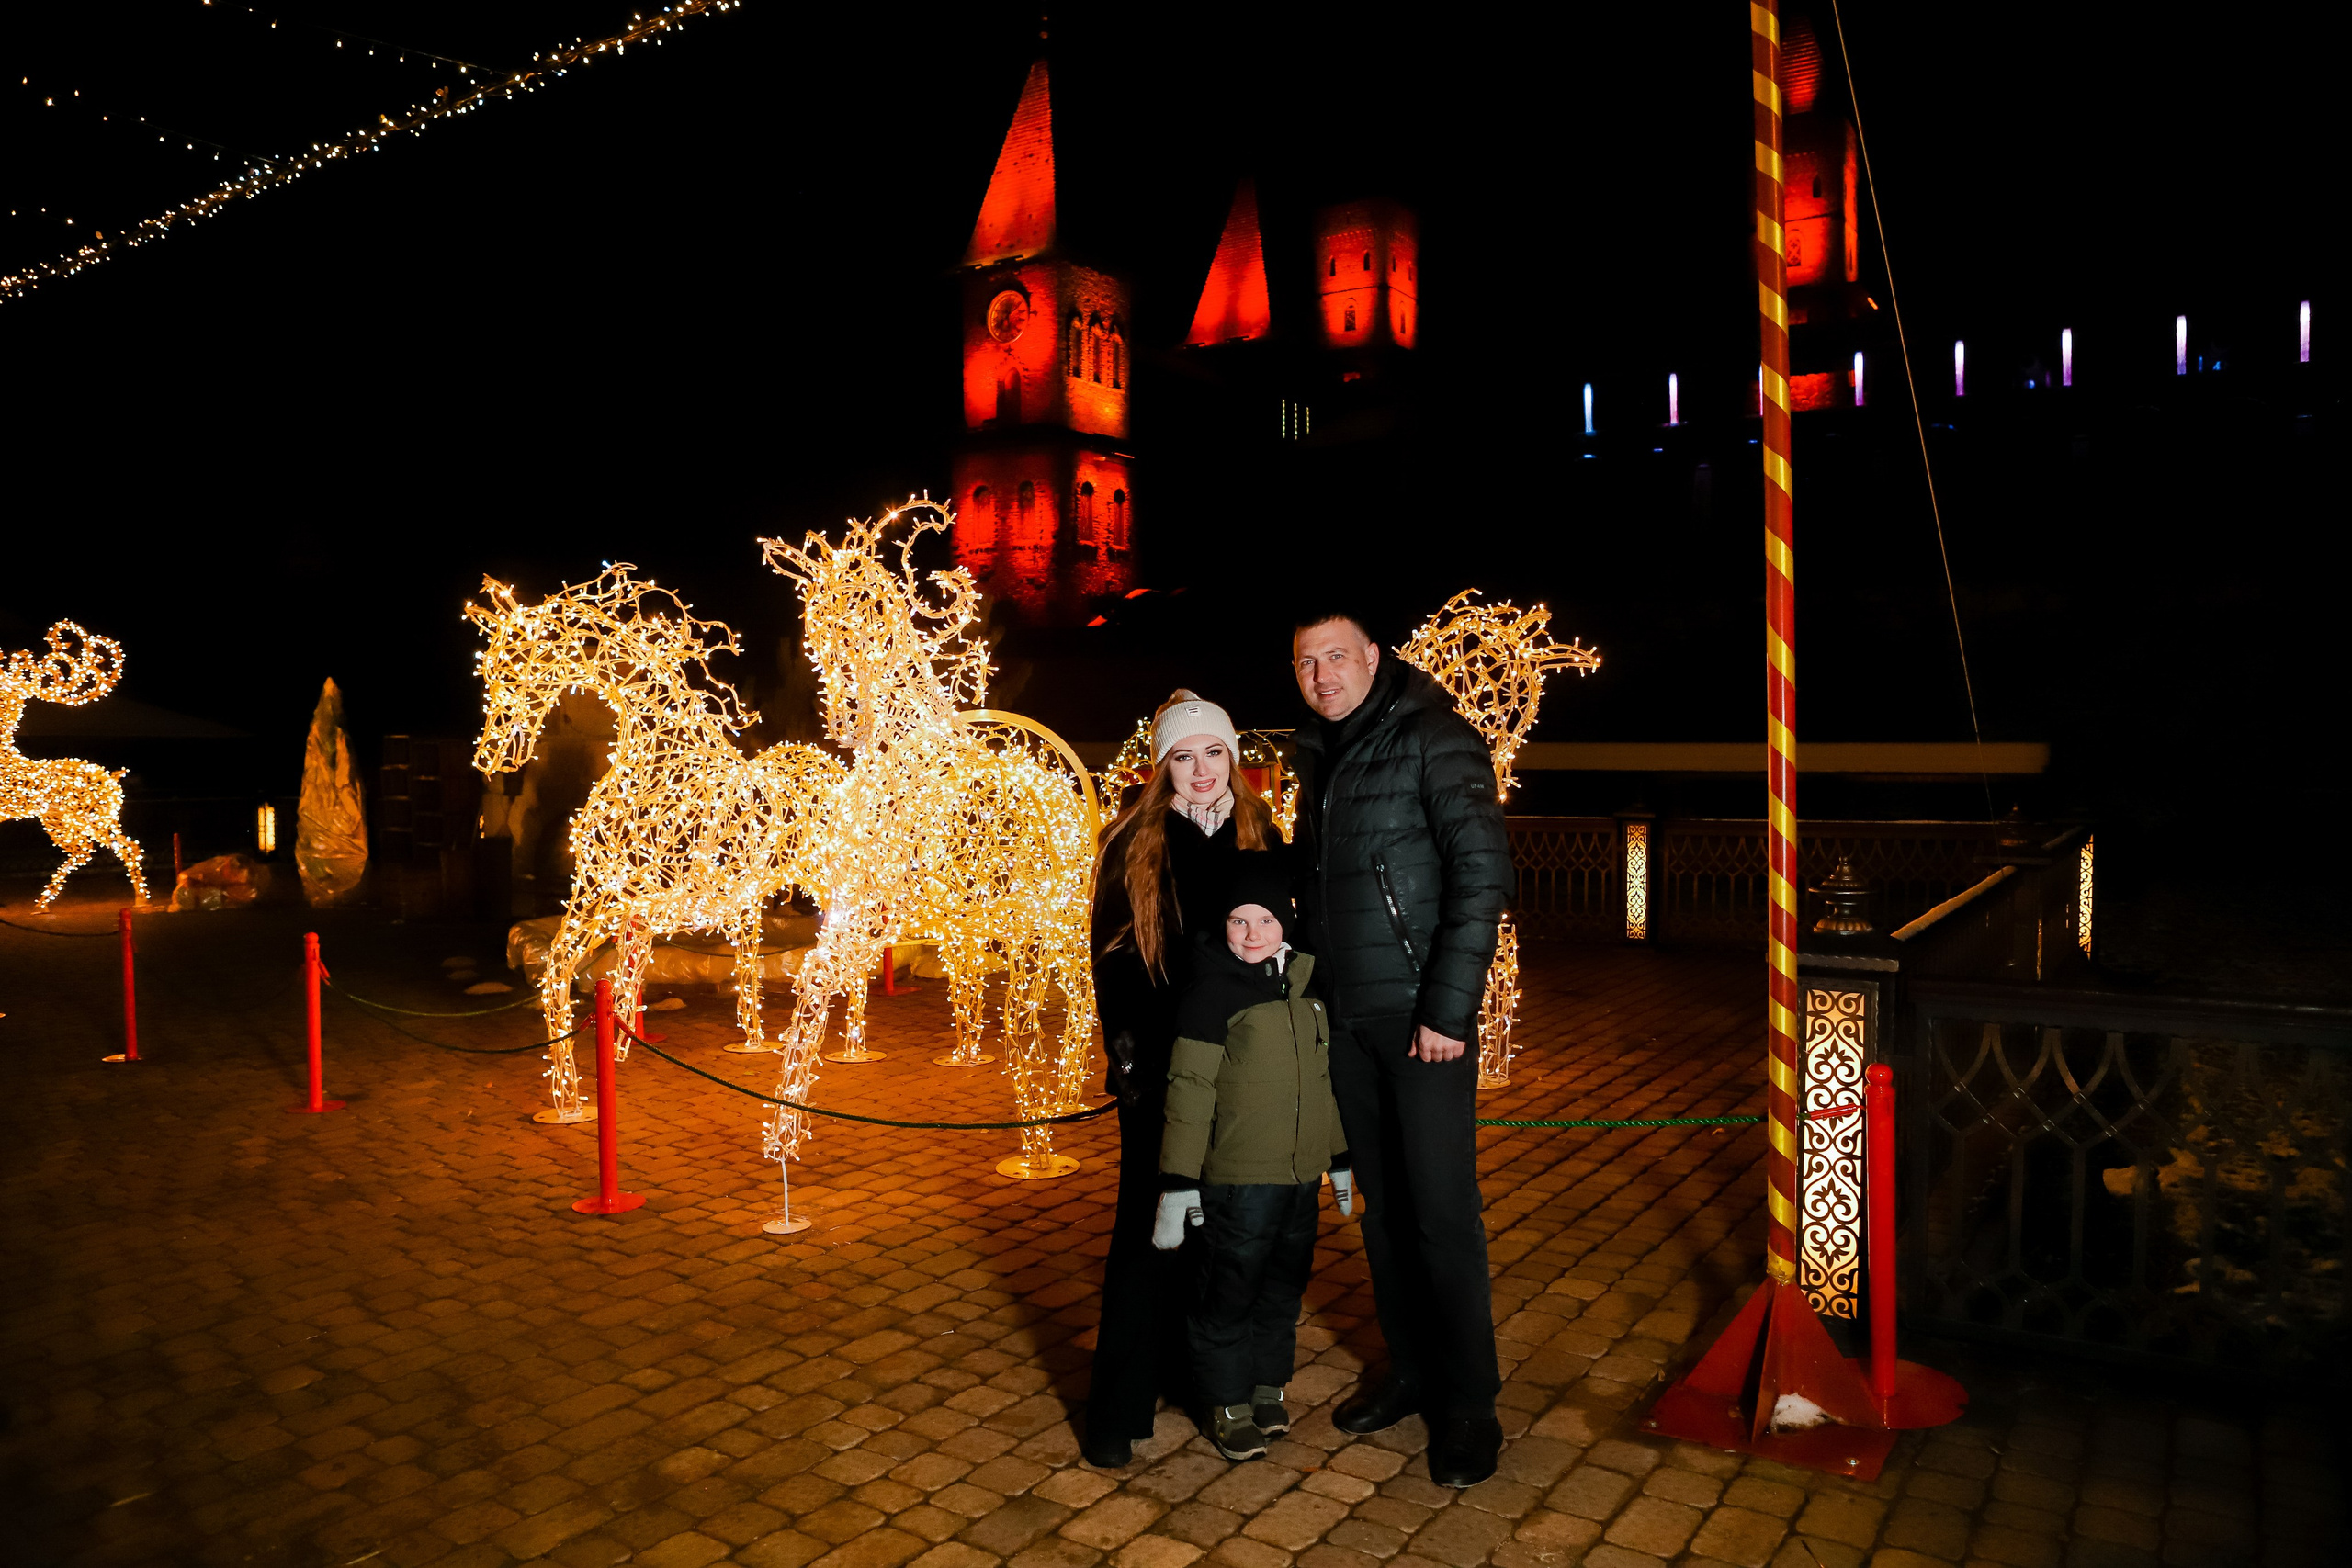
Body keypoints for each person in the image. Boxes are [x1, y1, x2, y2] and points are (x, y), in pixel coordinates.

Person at [1288, 607, 1514, 1486]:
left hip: (1424, 1023)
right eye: (1307, 662)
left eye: (1337, 657)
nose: (1322, 674)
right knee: (1384, 1218)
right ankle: (1413, 1372)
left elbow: (1481, 874)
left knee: (1443, 1217)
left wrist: (1449, 1012)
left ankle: (1470, 1406)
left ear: (1374, 658)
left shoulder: (1433, 737)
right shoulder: (1320, 755)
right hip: (1349, 1020)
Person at [1082, 691, 1282, 1468]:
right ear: (1164, 765)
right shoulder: (1132, 839)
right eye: (1183, 756)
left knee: (1223, 1235)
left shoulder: (1262, 834)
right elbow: (1110, 965)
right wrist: (1131, 1059)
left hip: (1240, 1069)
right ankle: (1117, 1408)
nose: (1200, 770)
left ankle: (1204, 1381)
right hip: (1163, 1070)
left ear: (1233, 755)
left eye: (1212, 752)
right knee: (1145, 1231)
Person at [1152, 855, 1355, 1462]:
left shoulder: (1307, 986)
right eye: (1238, 920)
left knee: (1281, 1290)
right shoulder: (1212, 990)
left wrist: (1338, 1157)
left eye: (1264, 918)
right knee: (1228, 1293)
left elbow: (1321, 1083)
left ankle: (1267, 1385)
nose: (1250, 933)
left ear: (1287, 920)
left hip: (1298, 1179)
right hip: (1240, 1182)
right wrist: (1179, 1180)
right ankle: (1225, 1400)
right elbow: (1189, 1089)